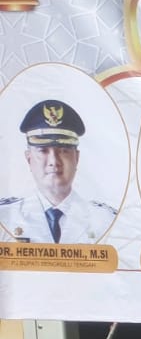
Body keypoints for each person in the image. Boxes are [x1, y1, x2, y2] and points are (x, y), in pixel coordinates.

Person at [0, 99, 118, 243]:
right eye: (43, 151)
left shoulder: (106, 220)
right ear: (29, 158)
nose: (54, 161)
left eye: (64, 151)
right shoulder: (5, 217)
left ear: (77, 158)